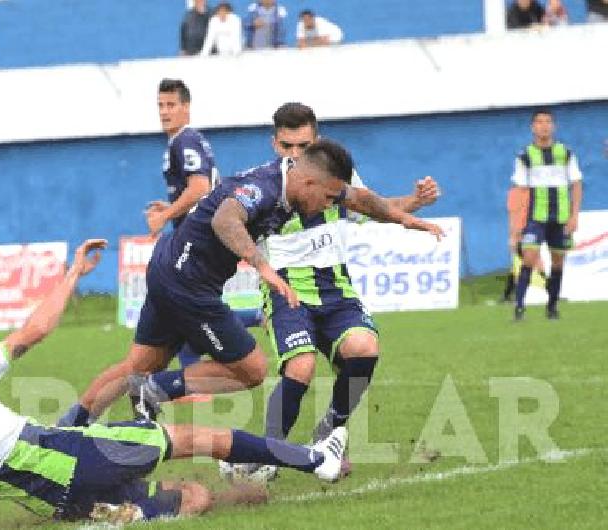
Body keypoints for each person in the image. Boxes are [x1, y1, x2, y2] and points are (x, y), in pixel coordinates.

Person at [0, 239, 350, 529]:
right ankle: (314, 460)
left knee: (192, 498)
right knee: (197, 439)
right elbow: (33, 332)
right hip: (72, 454)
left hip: (49, 498)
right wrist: (74, 274)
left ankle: (114, 513)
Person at [63, 139, 443, 434]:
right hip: (190, 284)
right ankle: (155, 390)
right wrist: (264, 268)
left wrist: (406, 219)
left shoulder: (306, 183)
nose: (329, 204)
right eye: (327, 198)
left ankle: (66, 429)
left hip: (166, 268)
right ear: (309, 181)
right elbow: (226, 220)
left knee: (138, 364)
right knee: (253, 370)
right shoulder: (263, 187)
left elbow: (361, 199)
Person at [239, 103, 439, 480]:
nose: (297, 156)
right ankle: (269, 454)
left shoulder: (335, 179)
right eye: (287, 146)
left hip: (336, 289)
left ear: (317, 141)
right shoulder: (265, 188)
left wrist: (414, 204)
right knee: (301, 366)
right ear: (274, 144)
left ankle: (328, 432)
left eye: (304, 145)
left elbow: (373, 206)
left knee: (365, 347)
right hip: (288, 291)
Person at [143, 79, 216, 372]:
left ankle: (253, 318)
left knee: (181, 299)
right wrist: (171, 208)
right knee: (184, 300)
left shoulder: (185, 140)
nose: (164, 111)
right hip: (194, 231)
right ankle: (189, 366)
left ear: (186, 107)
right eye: (160, 105)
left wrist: (164, 216)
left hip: (198, 235)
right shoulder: (182, 141)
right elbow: (194, 188)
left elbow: (200, 187)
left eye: (171, 105)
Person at [511, 109, 583, 321]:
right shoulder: (525, 155)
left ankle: (552, 307)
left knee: (558, 262)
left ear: (554, 126)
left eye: (548, 121)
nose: (544, 126)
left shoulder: (566, 153)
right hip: (536, 217)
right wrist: (517, 225)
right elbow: (521, 191)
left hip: (560, 217)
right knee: (529, 258)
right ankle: (519, 308)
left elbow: (576, 184)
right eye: (539, 122)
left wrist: (574, 215)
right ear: (532, 127)